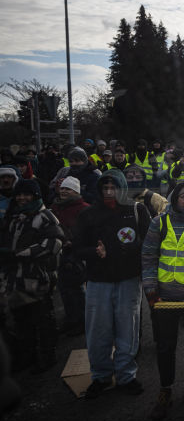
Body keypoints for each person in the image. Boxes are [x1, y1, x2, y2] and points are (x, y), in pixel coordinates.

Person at [73, 169, 151, 398]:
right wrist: (94, 252)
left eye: (113, 187)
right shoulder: (88, 215)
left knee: (128, 330)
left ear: (122, 188)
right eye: (105, 188)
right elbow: (76, 248)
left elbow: (149, 243)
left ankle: (126, 376)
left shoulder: (137, 210)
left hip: (128, 280)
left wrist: (128, 249)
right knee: (98, 333)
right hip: (98, 282)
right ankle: (101, 376)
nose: (109, 192)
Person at [141, 180, 184, 420]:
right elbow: (148, 256)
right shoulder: (158, 223)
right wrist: (150, 290)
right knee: (165, 346)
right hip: (164, 298)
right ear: (175, 198)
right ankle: (165, 389)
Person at [0, 180, 64, 373]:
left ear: (35, 196)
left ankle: (47, 357)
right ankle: (27, 357)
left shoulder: (45, 216)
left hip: (37, 277)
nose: (22, 198)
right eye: (19, 195)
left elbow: (55, 243)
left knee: (42, 319)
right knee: (21, 320)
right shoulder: (12, 217)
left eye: (27, 194)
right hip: (14, 278)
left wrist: (22, 253)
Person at [50, 176, 90, 336]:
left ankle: (84, 321)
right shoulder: (55, 207)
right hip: (58, 254)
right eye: (63, 188)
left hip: (76, 254)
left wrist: (73, 242)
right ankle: (71, 318)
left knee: (78, 289)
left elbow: (88, 232)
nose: (64, 191)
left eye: (68, 189)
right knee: (63, 288)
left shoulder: (84, 208)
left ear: (76, 191)